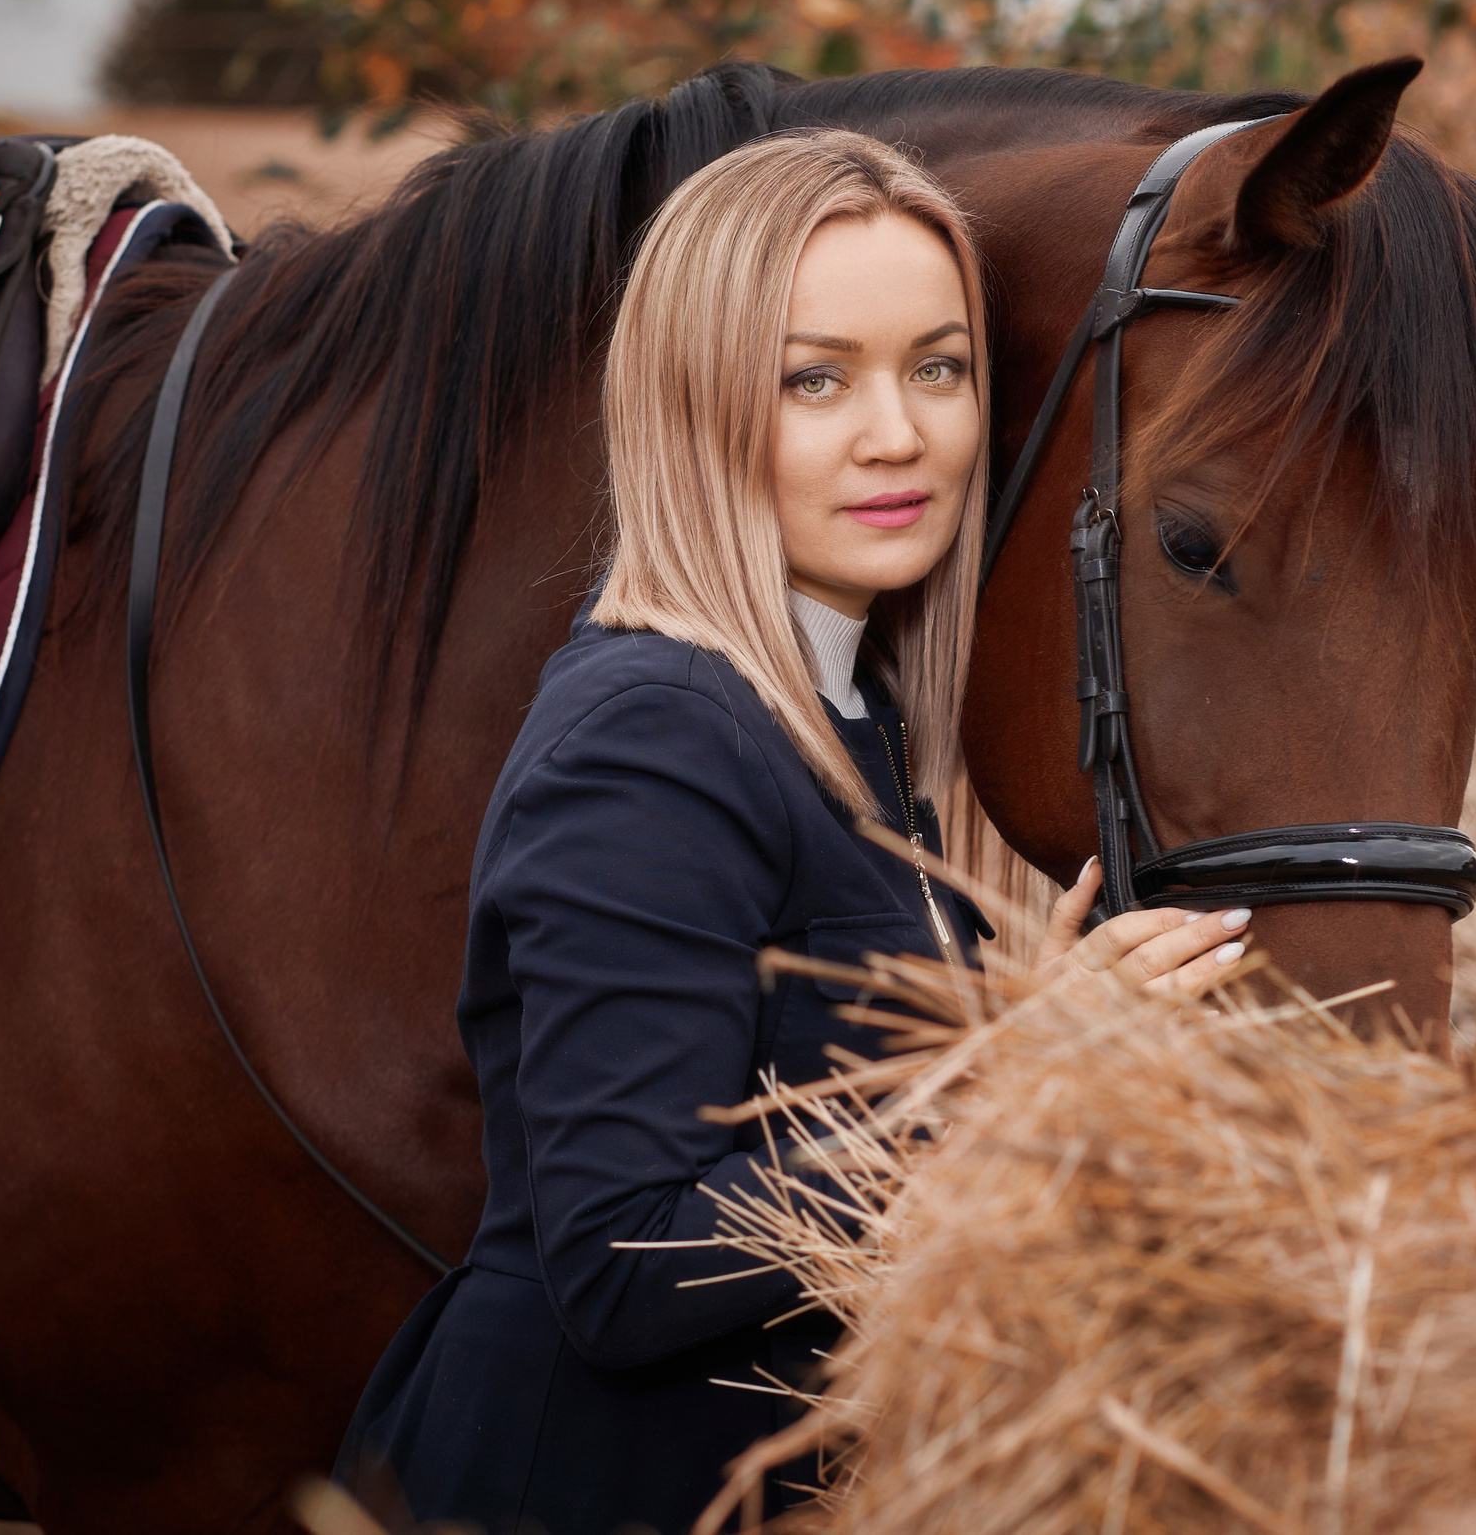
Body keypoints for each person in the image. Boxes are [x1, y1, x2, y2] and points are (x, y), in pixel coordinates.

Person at [337, 130, 1255, 1535]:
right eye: (812, 379)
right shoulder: (653, 736)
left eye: (936, 368)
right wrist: (1012, 1069)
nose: (898, 433)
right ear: (693, 408)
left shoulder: (849, 719)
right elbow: (624, 1263)